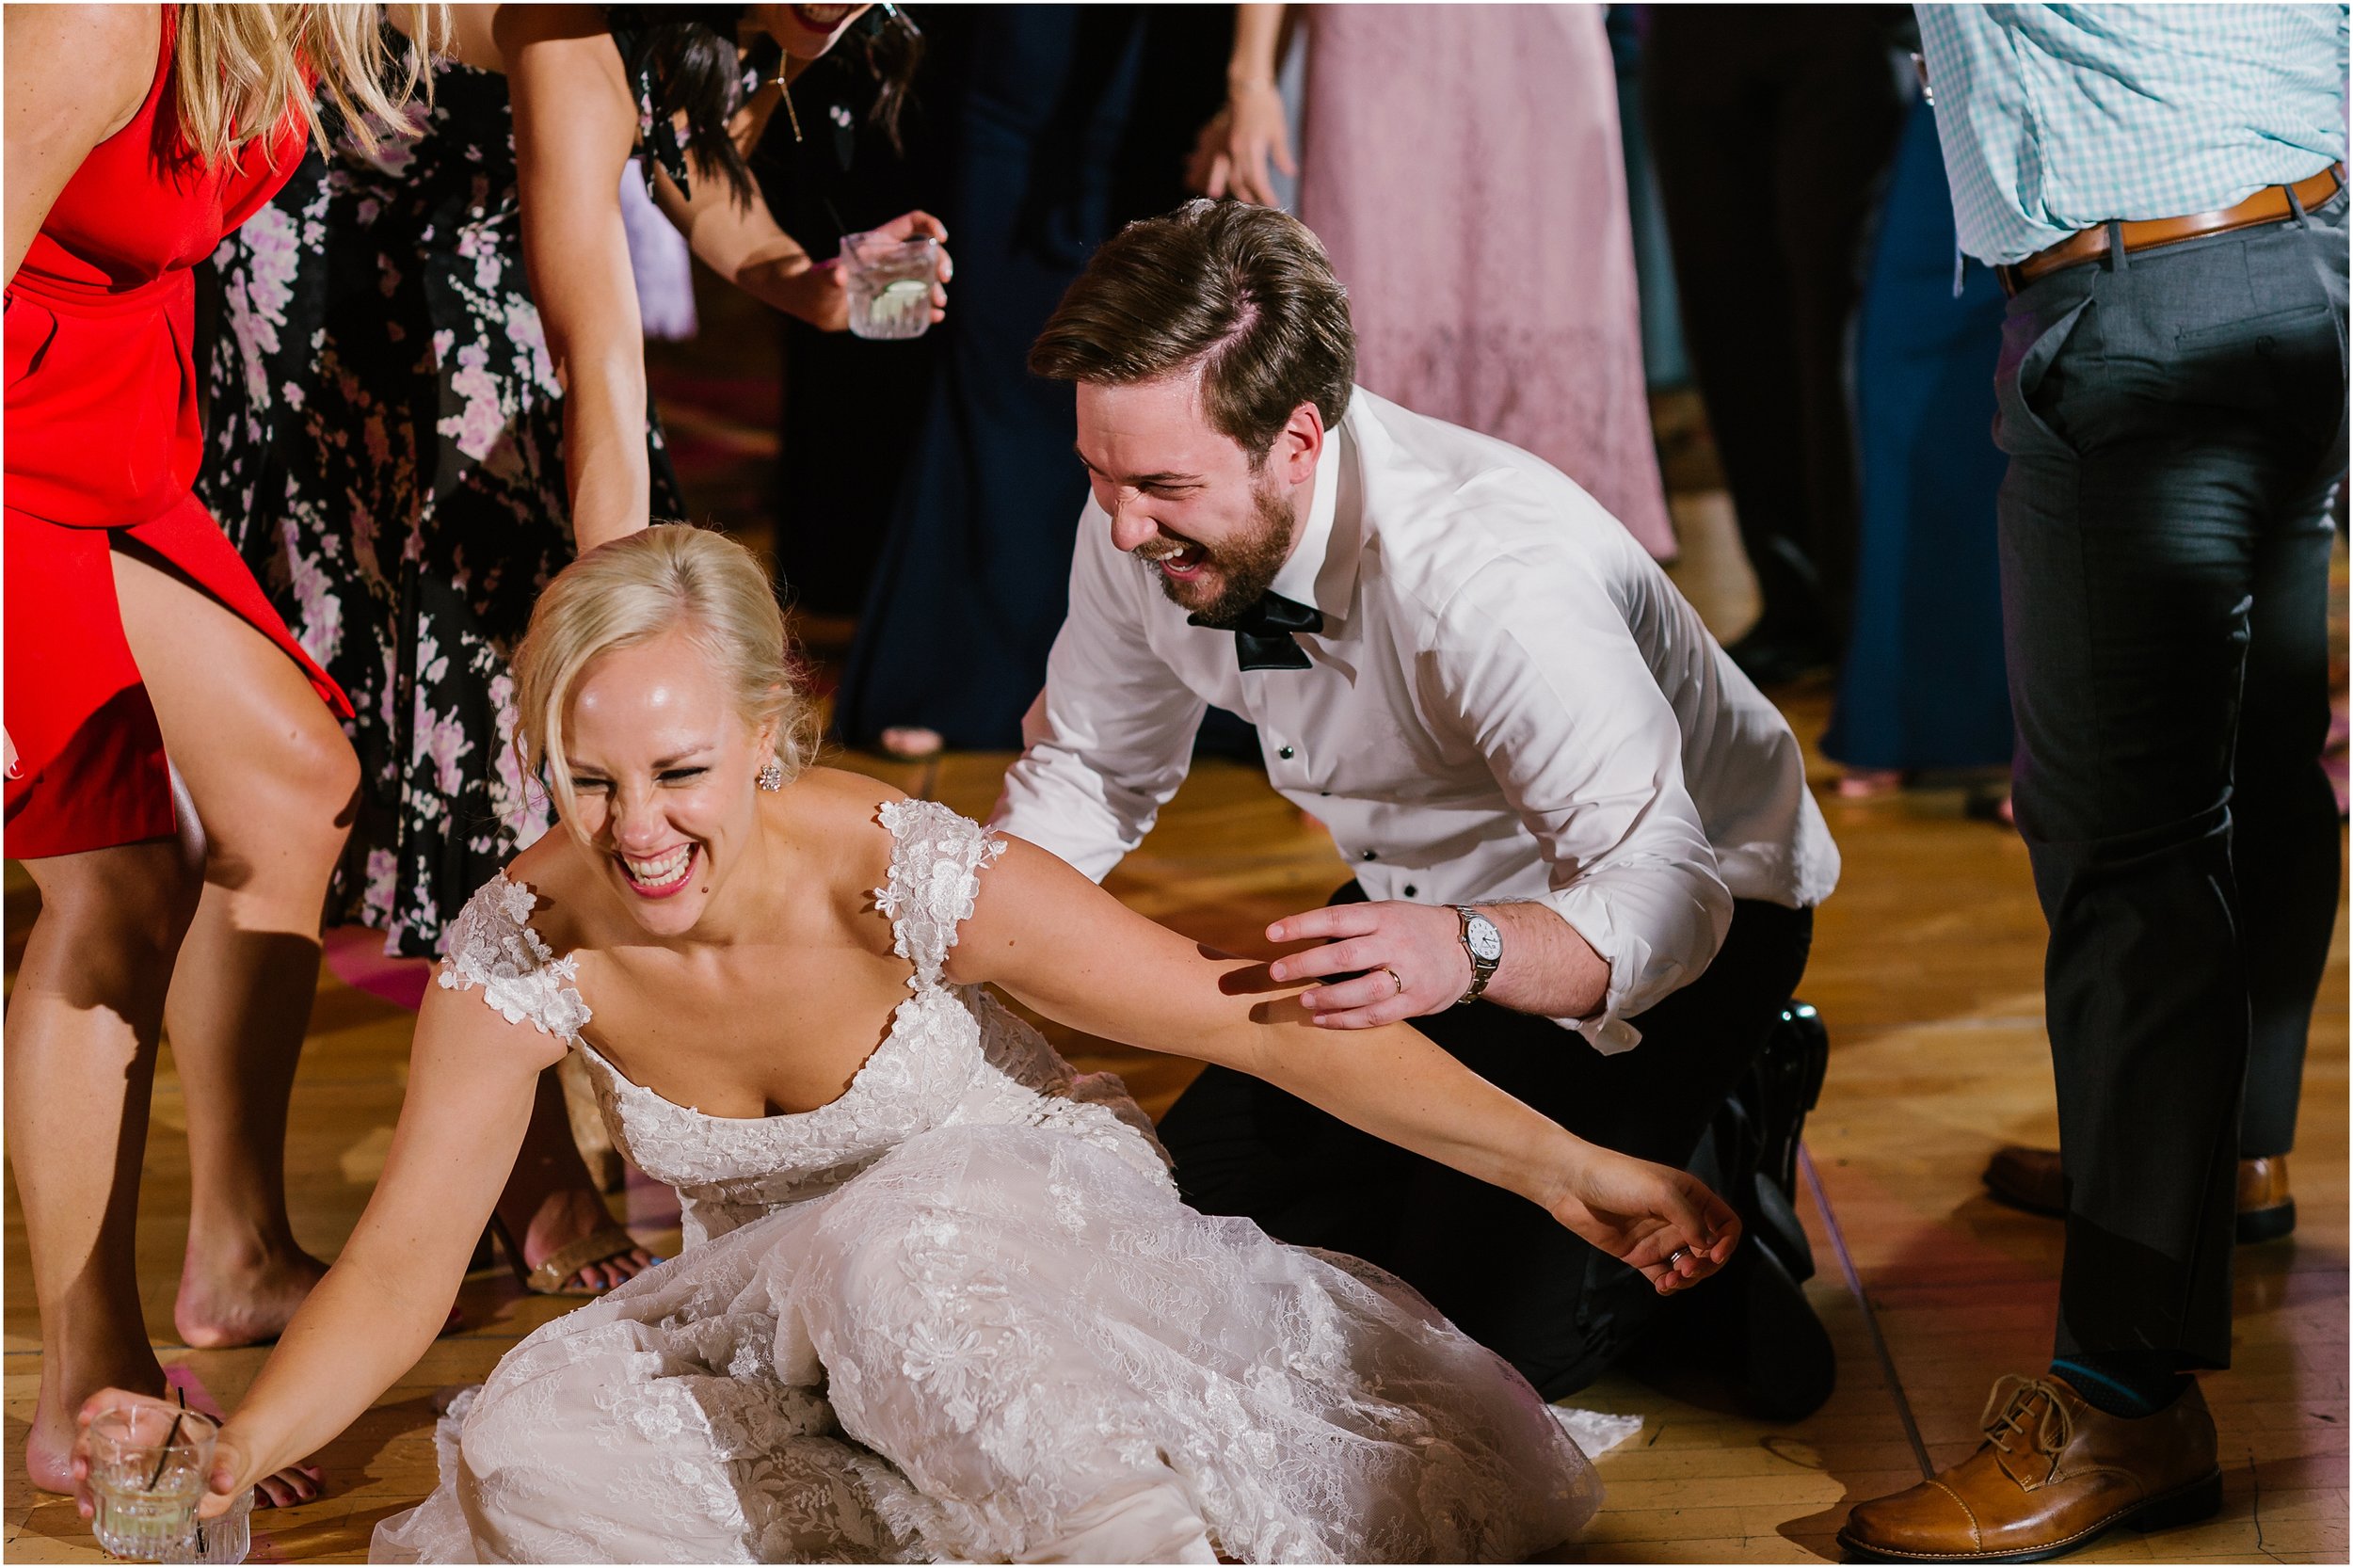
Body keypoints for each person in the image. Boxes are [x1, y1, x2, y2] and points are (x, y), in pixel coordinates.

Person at [67, 524, 1744, 1563]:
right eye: (590, 781)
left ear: (767, 742)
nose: (635, 829)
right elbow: (403, 1263)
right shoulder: (527, 943)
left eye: (678, 773)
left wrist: (1573, 1165)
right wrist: (244, 1444)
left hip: (1013, 1246)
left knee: (894, 1259)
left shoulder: (896, 870)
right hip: (769, 1301)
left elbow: (1261, 1027)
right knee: (525, 1447)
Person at [998, 199, 1845, 1416]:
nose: (1122, 525)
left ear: (1297, 438)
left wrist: (1468, 949)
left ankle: (1732, 1103)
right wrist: (953, 924)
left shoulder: (1491, 577)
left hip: (1670, 925)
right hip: (1412, 915)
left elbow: (1667, 900)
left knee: (1483, 1355)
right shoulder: (1139, 512)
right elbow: (1091, 771)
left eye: (1160, 486)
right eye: (1100, 475)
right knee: (1188, 1252)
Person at [200, 2, 944, 1293]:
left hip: (493, 281)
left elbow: (672, 146)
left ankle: (533, 1145)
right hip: (353, 291)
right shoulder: (575, 14)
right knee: (381, 761)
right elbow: (596, 354)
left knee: (546, 729)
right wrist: (631, 636)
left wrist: (802, 281)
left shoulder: (773, 23)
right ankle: (287, 1218)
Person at [1838, 7, 2347, 1561]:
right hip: (2296, 253)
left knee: (2129, 861)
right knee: (2253, 767)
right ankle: (2224, 1151)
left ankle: (2125, 1398)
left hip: (2144, 312)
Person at [2, 0, 439, 1504]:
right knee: (123, 878)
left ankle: (237, 1250)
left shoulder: (301, 12)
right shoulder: (94, 19)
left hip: (114, 432)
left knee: (296, 788)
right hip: (4, 450)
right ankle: (83, 1373)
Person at [830, 4, 1233, 760]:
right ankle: (962, 677)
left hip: (1166, 61)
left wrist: (1246, 82)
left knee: (1160, 372)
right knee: (1002, 362)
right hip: (1020, 64)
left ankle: (1175, 689)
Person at [1188, 3, 1676, 561]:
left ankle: (1562, 577)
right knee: (1384, 283)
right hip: (1383, 40)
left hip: (1538, 40)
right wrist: (1251, 80)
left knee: (1547, 297)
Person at [1643, 4, 1910, 683]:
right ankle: (1792, 599)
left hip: (1841, 26)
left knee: (1840, 319)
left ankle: (1866, 616)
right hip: (1692, 27)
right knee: (1728, 315)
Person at [1818, 86, 2013, 799]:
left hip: (2099, 84)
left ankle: (2045, 735)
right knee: (1905, 357)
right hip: (1962, 81)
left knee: (2047, 379)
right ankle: (1903, 714)